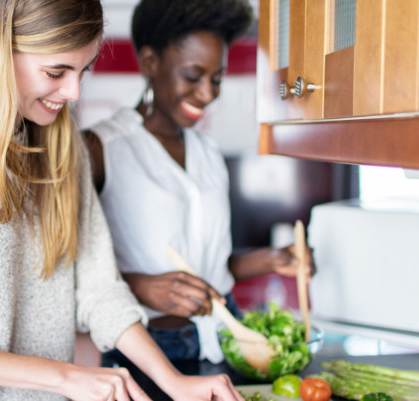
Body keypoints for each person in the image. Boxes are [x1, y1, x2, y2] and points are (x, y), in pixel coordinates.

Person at [0, 1, 245, 400]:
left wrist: (173, 382)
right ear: (0, 51)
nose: (73, 92)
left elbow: (100, 290)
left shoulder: (63, 146)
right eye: (56, 72)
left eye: (83, 70)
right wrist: (66, 377)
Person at [83, 0, 315, 365]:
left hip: (225, 335)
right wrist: (140, 284)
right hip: (149, 345)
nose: (207, 94)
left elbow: (212, 269)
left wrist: (274, 259)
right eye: (193, 76)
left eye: (217, 79)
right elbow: (64, 269)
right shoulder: (100, 148)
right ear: (150, 62)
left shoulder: (208, 152)